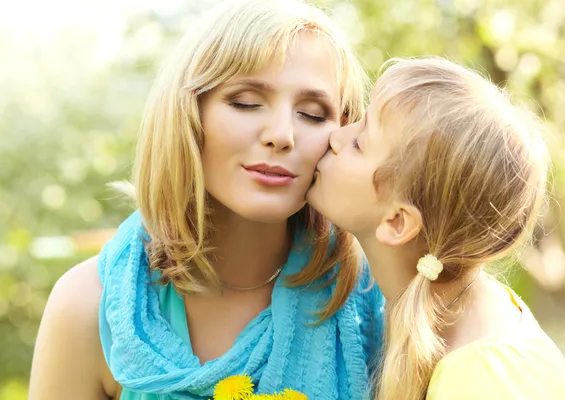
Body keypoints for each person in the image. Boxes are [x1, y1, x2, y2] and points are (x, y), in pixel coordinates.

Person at [29, 1, 384, 399]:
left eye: (314, 114)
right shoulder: (88, 307)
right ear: (187, 113)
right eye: (246, 102)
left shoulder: (374, 300)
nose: (282, 134)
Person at [307, 57, 565, 400]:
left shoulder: (480, 377)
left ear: (397, 222)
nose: (336, 135)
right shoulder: (455, 313)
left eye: (360, 142)